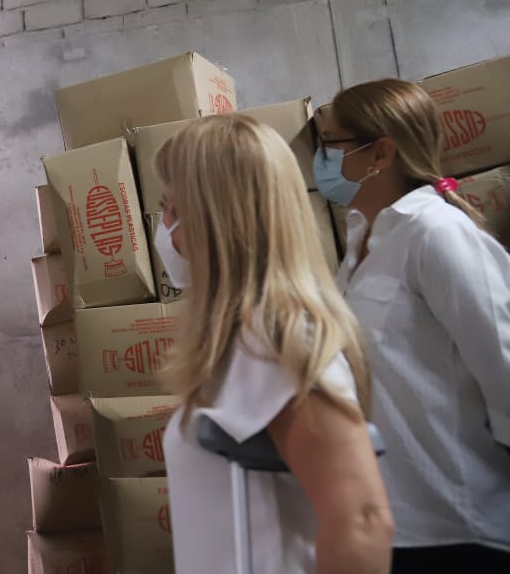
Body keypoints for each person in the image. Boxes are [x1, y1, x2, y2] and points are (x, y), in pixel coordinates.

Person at [156, 114, 393, 573]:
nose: (164, 229)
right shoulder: (242, 335)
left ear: (210, 219)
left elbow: (361, 522)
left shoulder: (274, 334)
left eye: (170, 208)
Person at [313, 78, 510, 572]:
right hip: (385, 522)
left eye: (330, 143)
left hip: (454, 524)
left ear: (380, 151)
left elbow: (504, 366)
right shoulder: (360, 241)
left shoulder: (436, 235)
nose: (320, 160)